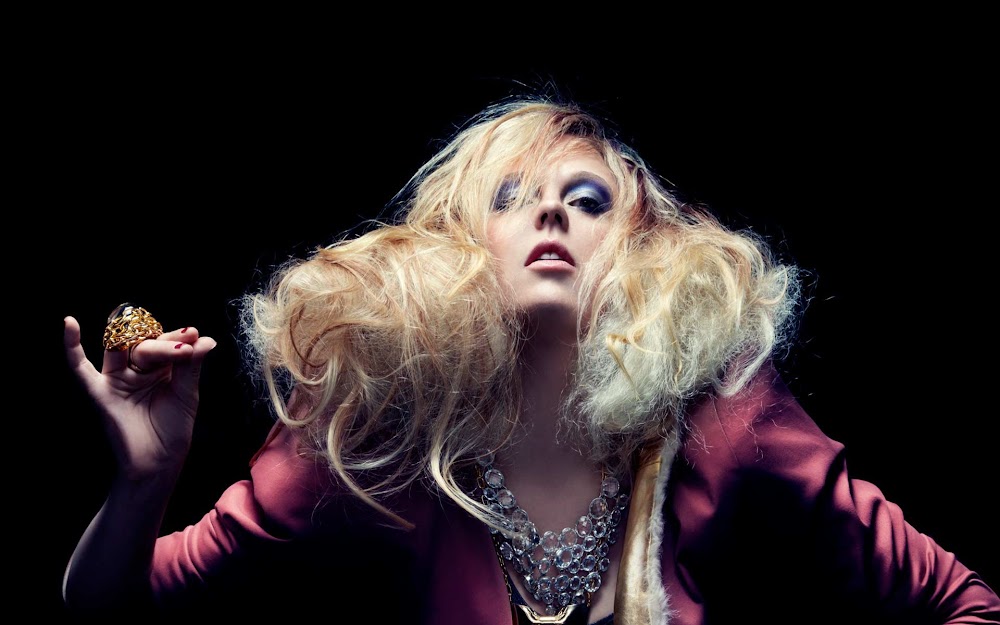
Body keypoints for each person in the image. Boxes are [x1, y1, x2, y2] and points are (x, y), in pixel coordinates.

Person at [61, 96, 999, 625]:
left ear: (637, 251)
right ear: (459, 246)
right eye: (510, 196)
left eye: (589, 200)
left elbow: (964, 601)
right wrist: (144, 481)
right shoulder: (373, 441)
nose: (552, 211)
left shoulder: (729, 417)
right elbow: (111, 607)